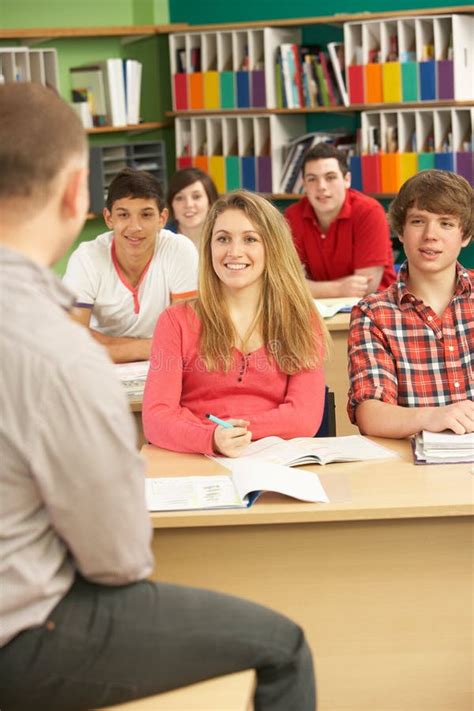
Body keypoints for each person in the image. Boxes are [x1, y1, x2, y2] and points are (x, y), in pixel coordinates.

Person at [0, 83, 317, 711]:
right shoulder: (62, 351)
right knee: (284, 644)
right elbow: (118, 558)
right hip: (24, 633)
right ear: (78, 197)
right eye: (224, 239)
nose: (235, 252)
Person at [143, 190, 329, 457]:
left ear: (272, 247)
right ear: (209, 247)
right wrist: (211, 438)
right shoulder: (175, 321)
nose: (234, 252)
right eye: (223, 239)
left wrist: (232, 432)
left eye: (250, 239)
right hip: (195, 461)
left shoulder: (302, 319)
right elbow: (156, 417)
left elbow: (304, 417)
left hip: (276, 463)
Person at [347, 169, 474, 438]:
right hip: (415, 470)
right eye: (418, 221)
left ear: (465, 236)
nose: (431, 234)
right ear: (401, 231)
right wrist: (434, 415)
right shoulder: (373, 314)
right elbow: (370, 412)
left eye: (446, 223)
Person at [63, 167, 198, 363]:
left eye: (146, 215)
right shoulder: (87, 258)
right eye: (124, 215)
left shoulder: (179, 250)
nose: (135, 227)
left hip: (161, 364)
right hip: (100, 367)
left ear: (162, 218)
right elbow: (71, 342)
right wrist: (149, 347)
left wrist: (106, 345)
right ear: (109, 218)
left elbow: (186, 338)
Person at [284, 142, 396, 298]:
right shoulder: (292, 217)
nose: (321, 186)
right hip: (321, 311)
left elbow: (367, 287)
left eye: (330, 177)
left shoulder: (369, 212)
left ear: (347, 180)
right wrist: (339, 289)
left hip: (377, 310)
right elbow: (285, 284)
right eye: (312, 179)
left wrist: (309, 288)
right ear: (304, 184)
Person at [167, 167, 218, 248]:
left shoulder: (225, 236)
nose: (189, 204)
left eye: (196, 197)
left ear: (210, 203)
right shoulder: (160, 241)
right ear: (171, 205)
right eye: (179, 198)